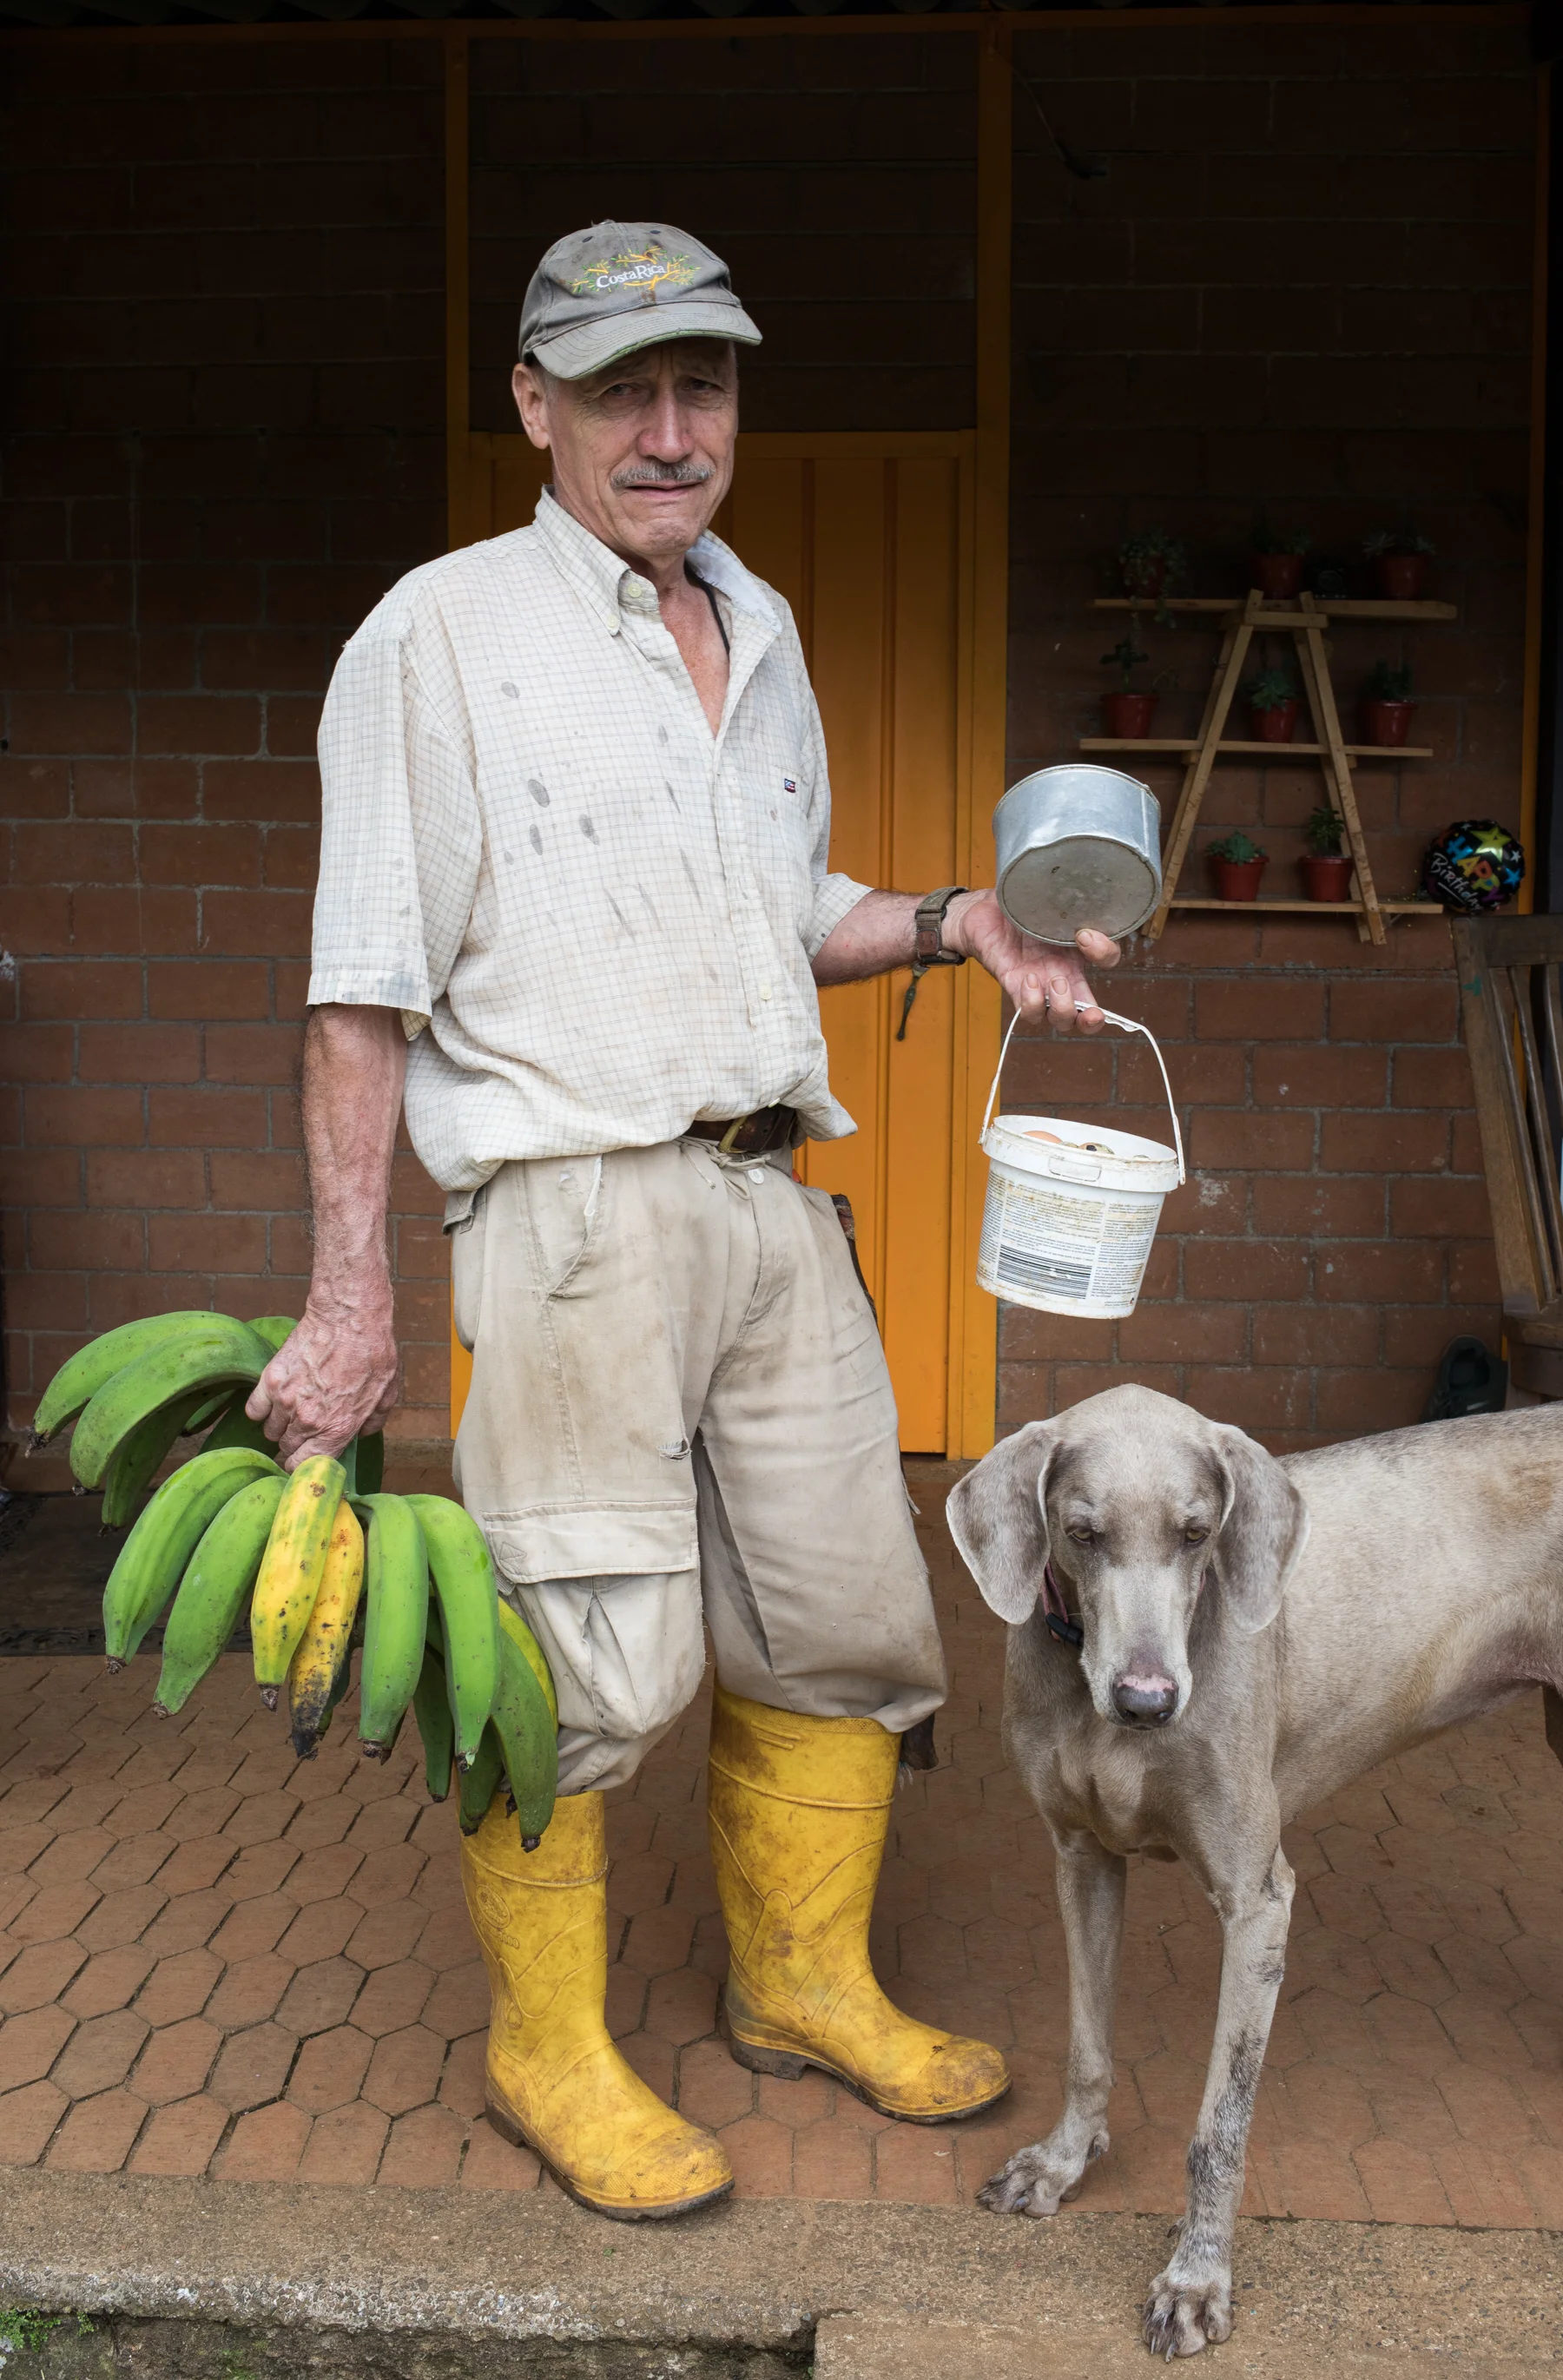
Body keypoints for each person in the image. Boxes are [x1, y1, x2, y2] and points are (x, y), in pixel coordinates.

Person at [248, 221, 1119, 2221]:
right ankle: (546, 2041)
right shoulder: (438, 635)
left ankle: (802, 1981)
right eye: (621, 388)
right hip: (567, 1217)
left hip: (767, 1202)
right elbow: (359, 983)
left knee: (839, 1618)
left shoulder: (769, 625)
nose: (668, 428)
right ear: (534, 408)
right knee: (586, 1660)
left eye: (702, 385)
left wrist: (951, 924)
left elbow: (779, 909)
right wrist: (348, 1295)